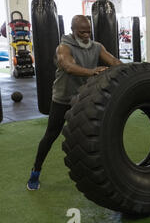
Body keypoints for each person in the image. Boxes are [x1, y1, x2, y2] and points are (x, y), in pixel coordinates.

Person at [27, 15, 122, 191]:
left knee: (93, 135)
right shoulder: (63, 47)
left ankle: (98, 174)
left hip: (84, 98)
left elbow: (114, 62)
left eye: (88, 31)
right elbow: (69, 66)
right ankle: (35, 171)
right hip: (63, 98)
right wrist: (93, 71)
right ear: (73, 30)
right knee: (51, 134)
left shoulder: (97, 47)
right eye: (82, 31)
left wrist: (128, 70)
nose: (86, 35)